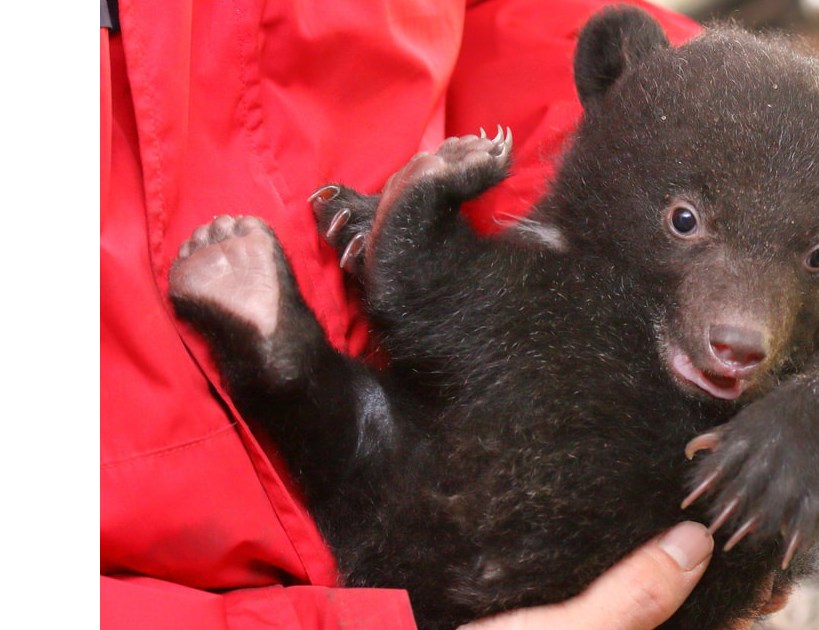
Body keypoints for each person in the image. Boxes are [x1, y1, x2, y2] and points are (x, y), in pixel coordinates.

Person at [100, 0, 725, 627]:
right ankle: (405, 250)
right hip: (211, 576)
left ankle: (350, 301)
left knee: (369, 427)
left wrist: (683, 172)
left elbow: (508, 16)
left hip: (431, 413)